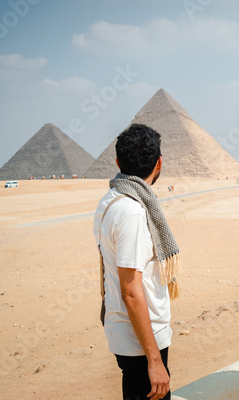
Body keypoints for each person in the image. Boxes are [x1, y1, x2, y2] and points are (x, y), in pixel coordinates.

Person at [93, 123, 181, 400]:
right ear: (159, 163)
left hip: (132, 334)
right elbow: (131, 290)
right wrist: (154, 361)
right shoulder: (132, 212)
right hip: (141, 341)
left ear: (118, 162)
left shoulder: (112, 199)